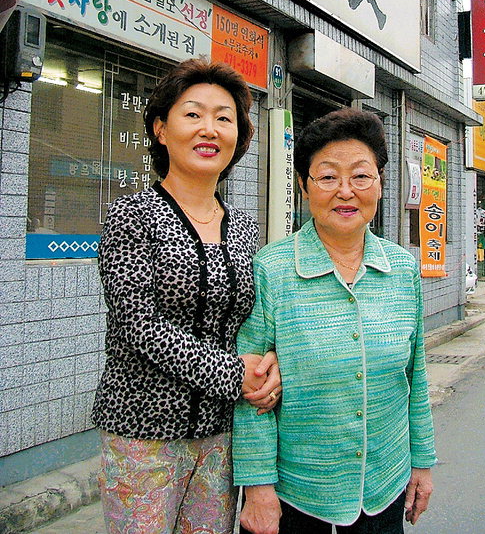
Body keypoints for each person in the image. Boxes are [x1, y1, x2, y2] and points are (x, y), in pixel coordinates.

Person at [92, 59, 282, 534]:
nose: (210, 128)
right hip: (143, 432)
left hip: (220, 434)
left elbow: (251, 320)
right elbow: (141, 325)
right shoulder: (131, 215)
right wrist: (234, 374)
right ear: (160, 129)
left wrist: (270, 364)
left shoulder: (241, 227)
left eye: (224, 117)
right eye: (193, 114)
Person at [233, 108, 436, 534]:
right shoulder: (272, 270)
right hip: (297, 499)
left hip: (386, 487)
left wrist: (422, 463)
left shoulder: (402, 269)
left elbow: (414, 377)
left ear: (379, 185)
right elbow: (251, 391)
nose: (346, 191)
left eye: (361, 176)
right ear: (305, 188)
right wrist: (258, 489)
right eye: (327, 177)